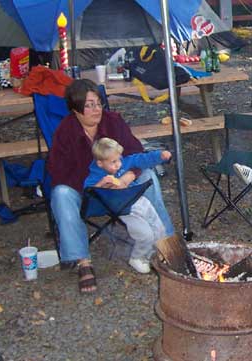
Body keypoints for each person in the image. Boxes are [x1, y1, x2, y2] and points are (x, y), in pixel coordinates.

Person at [47, 79, 175, 294]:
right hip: (87, 192)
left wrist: (127, 177)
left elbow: (136, 153)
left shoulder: (113, 121)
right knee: (60, 194)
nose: (96, 109)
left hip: (122, 188)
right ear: (75, 109)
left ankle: (167, 243)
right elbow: (58, 171)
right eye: (88, 105)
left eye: (98, 103)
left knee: (148, 176)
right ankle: (82, 261)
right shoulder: (65, 131)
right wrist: (94, 186)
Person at [84, 137, 172, 274]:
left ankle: (159, 253)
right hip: (122, 208)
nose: (118, 164)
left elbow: (142, 159)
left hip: (139, 200)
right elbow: (89, 193)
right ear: (100, 163)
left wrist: (160, 156)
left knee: (158, 225)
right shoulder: (95, 175)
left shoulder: (123, 163)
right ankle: (138, 257)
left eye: (119, 159)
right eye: (113, 162)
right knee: (146, 234)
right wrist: (101, 185)